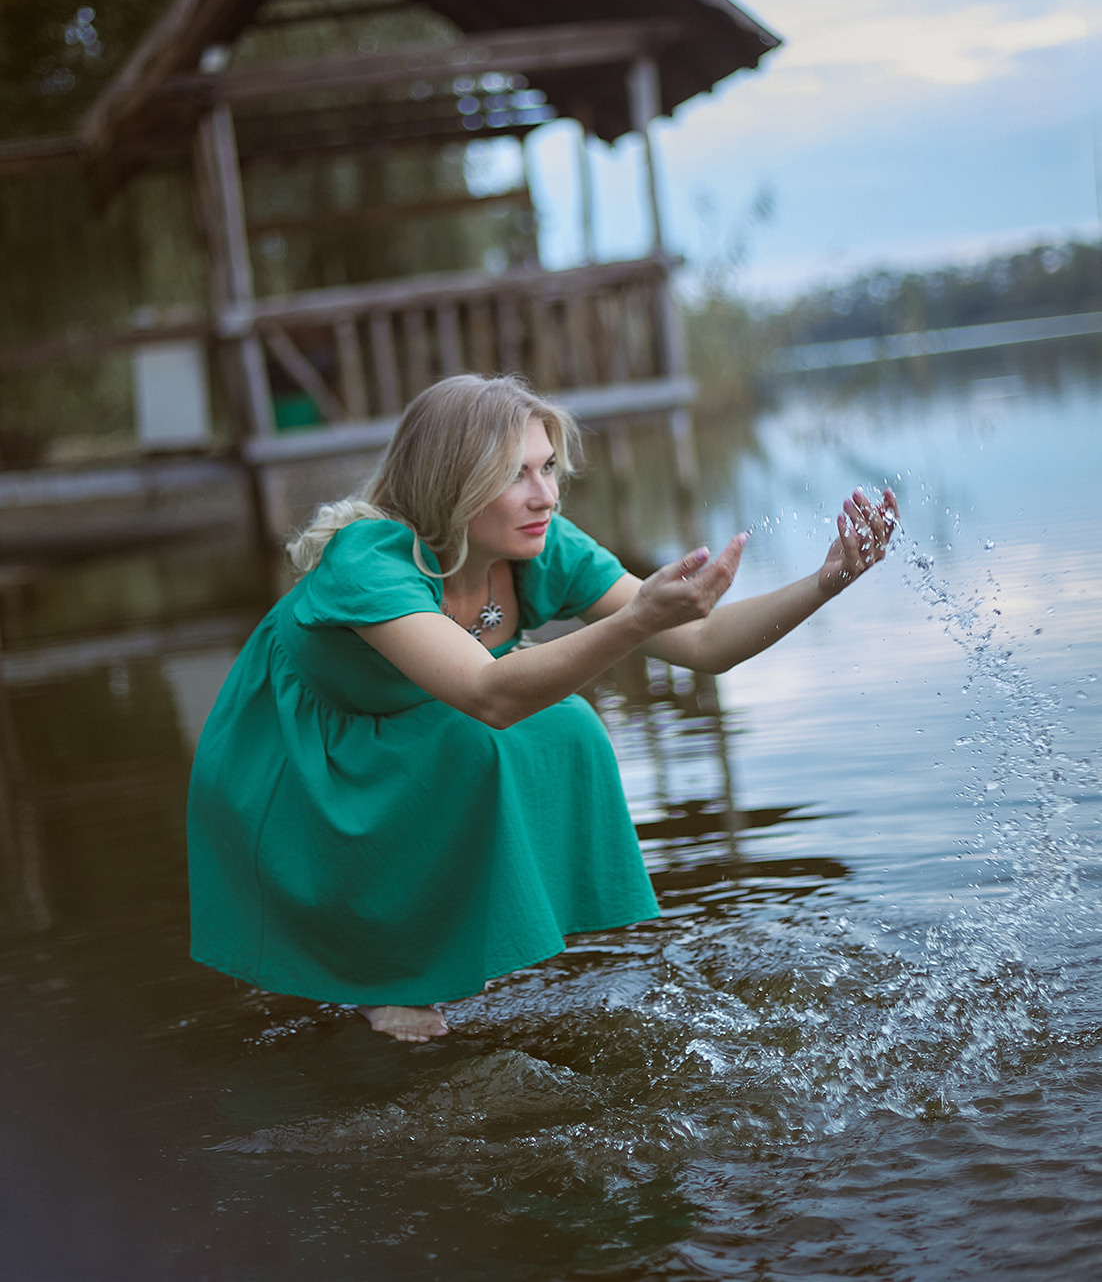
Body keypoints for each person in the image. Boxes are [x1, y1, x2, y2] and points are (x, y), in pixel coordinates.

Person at [187, 374, 896, 1043]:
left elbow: (705, 643)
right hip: (305, 757)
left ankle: (470, 937)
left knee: (562, 725)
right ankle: (385, 976)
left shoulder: (538, 548)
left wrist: (825, 581)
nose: (545, 496)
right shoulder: (369, 558)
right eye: (515, 475)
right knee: (491, 736)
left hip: (413, 722)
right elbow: (489, 695)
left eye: (548, 468)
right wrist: (637, 620)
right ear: (451, 483)